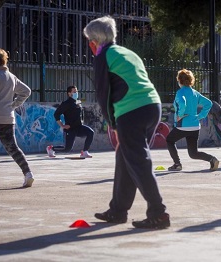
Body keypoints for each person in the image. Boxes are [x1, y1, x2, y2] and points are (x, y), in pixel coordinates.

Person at [83, 16, 170, 229]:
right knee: (125, 157)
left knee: (138, 161)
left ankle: (158, 213)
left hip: (131, 111)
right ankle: (117, 211)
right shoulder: (128, 53)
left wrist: (112, 124)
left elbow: (103, 93)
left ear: (93, 41)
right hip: (152, 106)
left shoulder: (103, 56)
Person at [0, 48, 34, 188]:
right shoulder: (11, 77)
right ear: (5, 61)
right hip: (7, 118)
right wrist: (14, 105)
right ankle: (28, 174)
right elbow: (26, 91)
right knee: (13, 148)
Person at [166, 69, 219, 171]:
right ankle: (212, 159)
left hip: (183, 125)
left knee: (169, 140)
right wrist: (200, 116)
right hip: (195, 126)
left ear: (180, 80)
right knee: (193, 153)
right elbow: (209, 103)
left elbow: (182, 103)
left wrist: (180, 115)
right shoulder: (195, 93)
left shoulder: (180, 92)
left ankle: (177, 164)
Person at [46, 85, 94, 158]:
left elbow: (81, 114)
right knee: (67, 149)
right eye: (74, 92)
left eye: (76, 91)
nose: (76, 93)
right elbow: (56, 114)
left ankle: (85, 152)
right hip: (70, 129)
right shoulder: (66, 103)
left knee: (90, 132)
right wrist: (62, 125)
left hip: (79, 127)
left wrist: (82, 122)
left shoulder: (78, 102)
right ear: (69, 93)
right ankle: (51, 148)